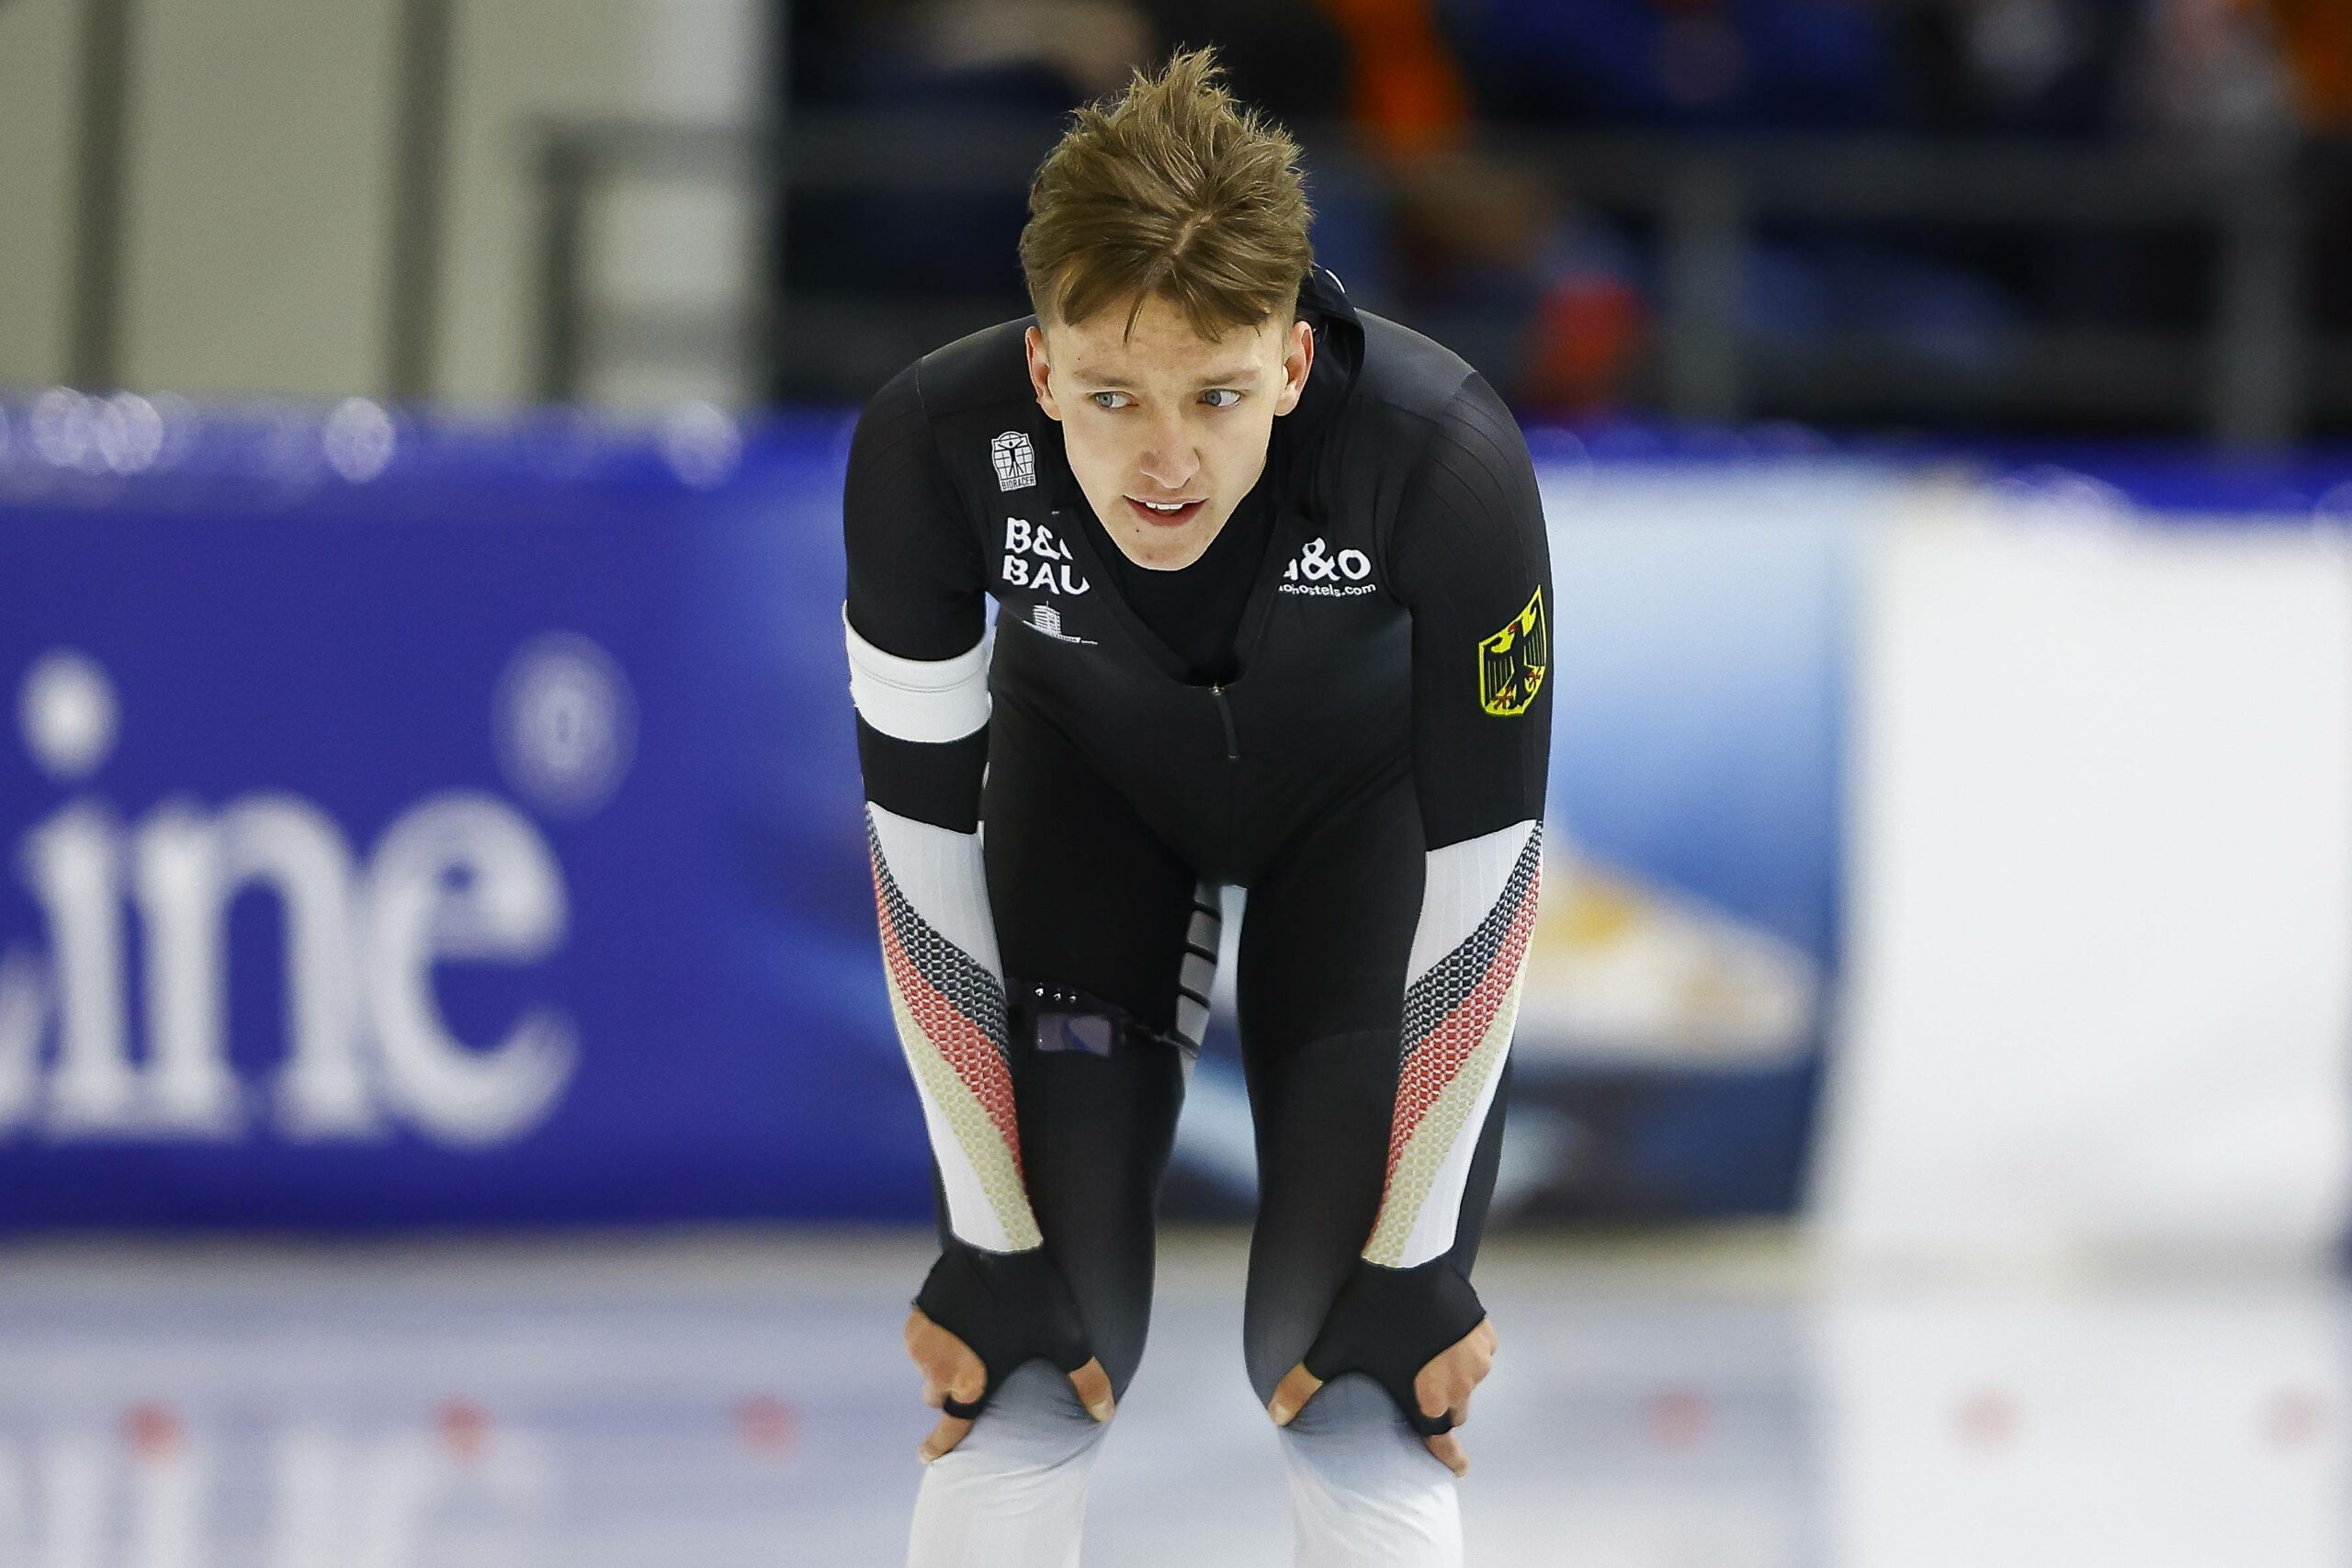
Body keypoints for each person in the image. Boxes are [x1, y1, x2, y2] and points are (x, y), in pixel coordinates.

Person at [841, 47, 1550, 1568]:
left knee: (1357, 1366)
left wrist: (1420, 1264)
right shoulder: (930, 450)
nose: (1166, 461)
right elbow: (916, 857)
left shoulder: (1445, 459)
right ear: (1039, 370)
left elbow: (1491, 882)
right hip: (1092, 813)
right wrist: (988, 1231)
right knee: (1032, 1351)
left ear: (1294, 364)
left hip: (1361, 844)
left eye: (1219, 395)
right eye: (1110, 396)